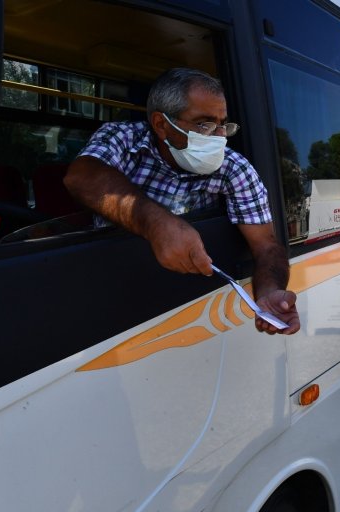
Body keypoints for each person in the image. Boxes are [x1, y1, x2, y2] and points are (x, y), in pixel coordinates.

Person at [64, 68, 299, 335]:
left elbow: (267, 246)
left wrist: (270, 292)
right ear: (161, 125)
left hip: (184, 309)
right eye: (204, 124)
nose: (219, 136)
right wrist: (156, 223)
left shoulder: (233, 168)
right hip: (108, 294)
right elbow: (82, 177)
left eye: (223, 124)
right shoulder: (124, 139)